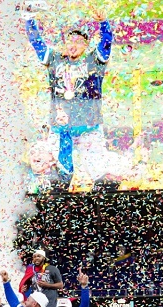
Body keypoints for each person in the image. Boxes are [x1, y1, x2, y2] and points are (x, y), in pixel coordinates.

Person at [25, 8, 121, 189]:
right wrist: (29, 19)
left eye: (78, 42)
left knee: (98, 169)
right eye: (70, 41)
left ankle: (105, 195)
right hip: (60, 127)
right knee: (57, 172)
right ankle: (57, 192)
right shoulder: (54, 59)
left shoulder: (94, 61)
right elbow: (37, 43)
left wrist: (103, 23)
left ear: (86, 45)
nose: (73, 45)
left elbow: (106, 42)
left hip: (89, 125)